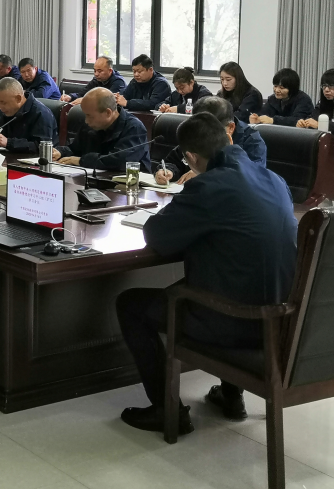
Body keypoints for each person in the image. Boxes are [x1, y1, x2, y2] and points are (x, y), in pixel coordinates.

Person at [116, 112, 297, 434]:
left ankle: (167, 411)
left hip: (233, 321)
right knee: (232, 275)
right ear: (229, 138)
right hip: (280, 319)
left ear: (191, 158)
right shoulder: (274, 179)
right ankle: (231, 396)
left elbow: (158, 236)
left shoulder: (208, 186)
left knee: (131, 304)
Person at [155, 96, 267, 185]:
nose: (203, 135)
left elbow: (252, 176)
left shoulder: (252, 141)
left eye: (211, 130)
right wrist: (168, 171)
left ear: (231, 127)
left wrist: (204, 172)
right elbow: (175, 159)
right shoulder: (197, 130)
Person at [52, 88, 151, 172]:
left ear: (108, 113)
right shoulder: (91, 124)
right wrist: (61, 152)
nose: (86, 121)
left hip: (128, 184)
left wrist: (81, 161)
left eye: (89, 116)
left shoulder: (134, 128)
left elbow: (119, 161)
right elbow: (75, 149)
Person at [0, 77, 55, 154]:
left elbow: (41, 147)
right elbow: (2, 135)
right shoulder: (8, 111)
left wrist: (8, 142)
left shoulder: (41, 113)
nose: (0, 107)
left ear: (18, 98)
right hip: (11, 156)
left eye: (3, 103)